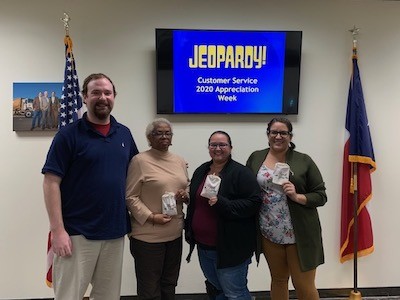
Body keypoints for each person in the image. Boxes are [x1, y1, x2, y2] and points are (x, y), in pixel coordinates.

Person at [42, 73, 139, 300]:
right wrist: (57, 231)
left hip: (114, 231)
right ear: (85, 97)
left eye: (107, 92)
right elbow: (50, 182)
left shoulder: (123, 134)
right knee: (69, 295)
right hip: (76, 233)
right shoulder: (67, 135)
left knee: (108, 296)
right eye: (95, 92)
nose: (102, 97)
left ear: (114, 97)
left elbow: (137, 173)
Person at [246, 117, 327, 300]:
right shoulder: (256, 157)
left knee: (303, 285)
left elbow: (321, 195)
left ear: (290, 136)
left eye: (283, 133)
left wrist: (297, 196)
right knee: (279, 280)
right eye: (274, 132)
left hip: (299, 233)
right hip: (269, 231)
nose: (278, 136)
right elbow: (245, 187)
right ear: (268, 134)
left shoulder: (303, 160)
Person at [185, 130, 262, 300]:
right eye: (213, 144)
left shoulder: (241, 173)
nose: (217, 148)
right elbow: (196, 203)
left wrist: (223, 203)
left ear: (231, 148)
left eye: (222, 144)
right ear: (208, 148)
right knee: (217, 290)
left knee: (235, 293)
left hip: (230, 249)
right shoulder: (201, 170)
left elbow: (255, 202)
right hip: (203, 247)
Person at [126, 118, 189, 300]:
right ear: (149, 138)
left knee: (169, 284)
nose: (164, 136)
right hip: (148, 237)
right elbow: (130, 196)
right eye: (158, 133)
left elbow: (187, 186)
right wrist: (151, 217)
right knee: (149, 289)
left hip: (175, 234)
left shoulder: (179, 160)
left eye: (167, 133)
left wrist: (185, 195)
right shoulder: (139, 161)